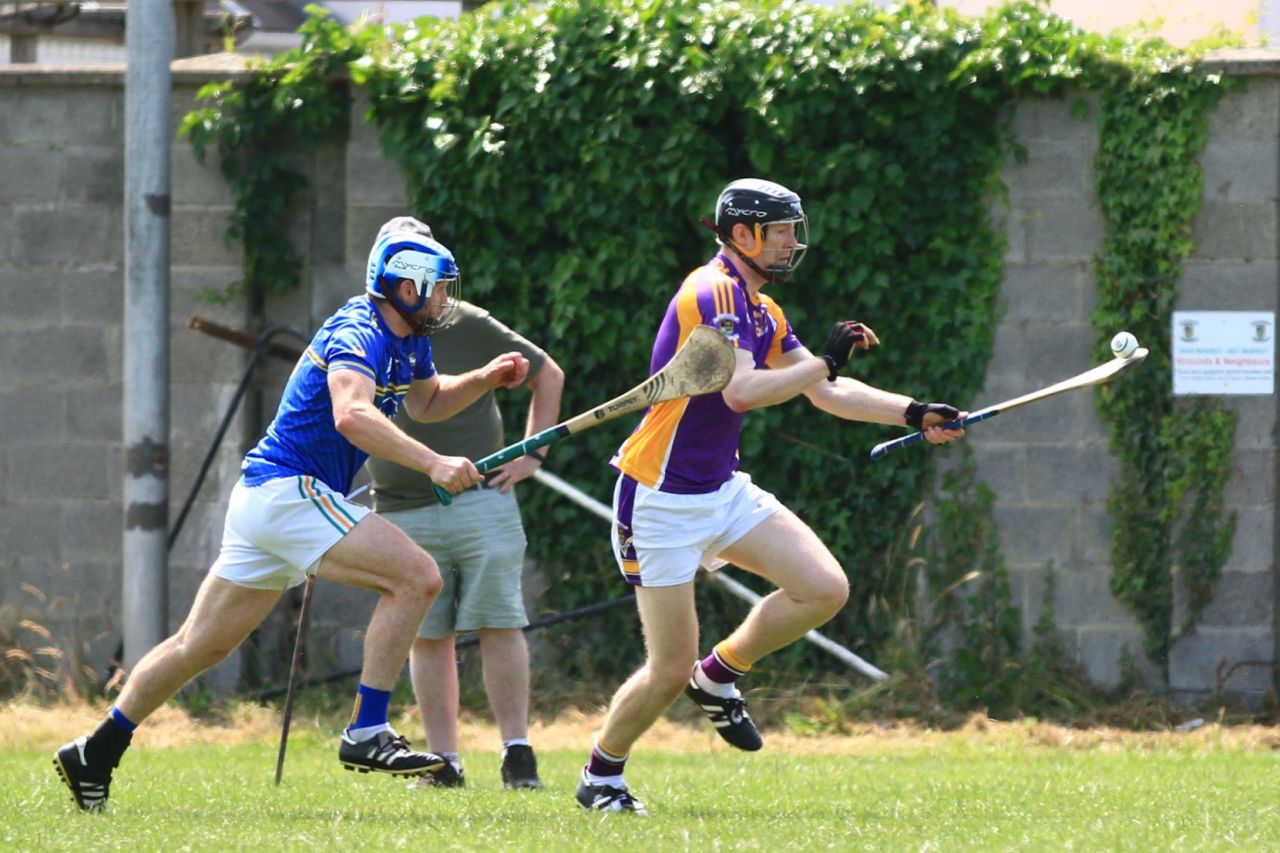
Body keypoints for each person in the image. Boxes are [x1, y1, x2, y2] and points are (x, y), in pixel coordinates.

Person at [53, 218, 530, 812]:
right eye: (435, 286)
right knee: (417, 577)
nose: (443, 298)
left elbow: (427, 402)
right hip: (289, 492)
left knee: (198, 645)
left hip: (267, 501)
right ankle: (366, 729)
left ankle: (94, 750)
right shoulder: (360, 328)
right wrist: (434, 465)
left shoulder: (410, 340)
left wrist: (483, 379)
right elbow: (352, 415)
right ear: (403, 286)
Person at [575, 178, 967, 814]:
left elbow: (822, 391)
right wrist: (827, 363)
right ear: (742, 235)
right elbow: (742, 391)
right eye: (781, 230)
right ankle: (602, 775)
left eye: (792, 229)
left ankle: (721, 674)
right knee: (666, 667)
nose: (792, 242)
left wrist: (914, 412)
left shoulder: (764, 310)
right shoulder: (711, 293)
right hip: (658, 498)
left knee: (823, 588)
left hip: (721, 490)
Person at [366, 221, 565, 792]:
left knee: (500, 622)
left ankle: (517, 753)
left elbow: (546, 372)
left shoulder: (466, 320)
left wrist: (533, 454)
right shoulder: (362, 328)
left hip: (481, 498)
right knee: (428, 635)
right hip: (399, 507)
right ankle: (444, 762)